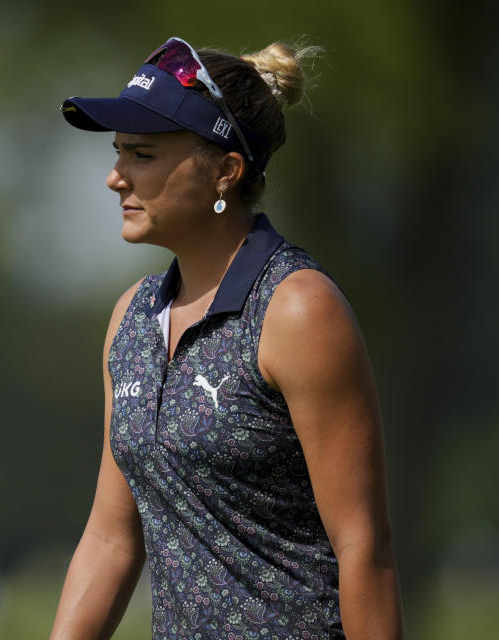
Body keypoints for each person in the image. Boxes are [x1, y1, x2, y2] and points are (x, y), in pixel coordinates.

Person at [48, 37, 403, 640]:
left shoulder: (297, 310)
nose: (115, 178)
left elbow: (363, 547)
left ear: (226, 171)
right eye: (118, 153)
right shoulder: (132, 318)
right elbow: (111, 539)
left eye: (140, 153)